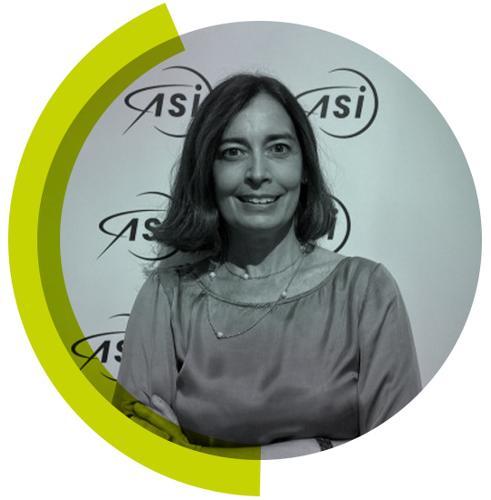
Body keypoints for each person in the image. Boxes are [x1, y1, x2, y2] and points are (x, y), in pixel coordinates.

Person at [113, 73, 421, 459]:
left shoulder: (365, 292)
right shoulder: (166, 298)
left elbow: (398, 463)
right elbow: (142, 463)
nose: (258, 173)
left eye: (278, 148)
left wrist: (200, 459)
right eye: (233, 152)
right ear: (207, 171)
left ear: (305, 168)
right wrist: (321, 449)